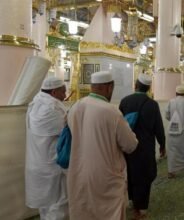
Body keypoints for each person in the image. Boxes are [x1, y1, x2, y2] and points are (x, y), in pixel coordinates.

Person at [67, 71, 138, 220]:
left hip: (78, 173)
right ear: (109, 87)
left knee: (84, 211)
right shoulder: (111, 111)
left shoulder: (75, 107)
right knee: (108, 213)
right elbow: (130, 145)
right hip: (106, 177)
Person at [119, 73, 166, 219]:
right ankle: (140, 208)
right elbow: (158, 127)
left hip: (127, 146)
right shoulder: (152, 104)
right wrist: (162, 144)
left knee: (130, 173)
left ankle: (133, 201)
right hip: (145, 147)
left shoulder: (125, 101)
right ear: (148, 88)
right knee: (144, 176)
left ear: (136, 85)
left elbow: (118, 125)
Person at [25, 77, 68, 220]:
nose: (65, 95)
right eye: (63, 91)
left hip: (37, 164)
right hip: (52, 166)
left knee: (45, 205)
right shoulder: (53, 108)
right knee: (58, 204)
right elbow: (68, 130)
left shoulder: (35, 104)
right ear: (55, 92)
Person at [165, 85, 184, 179]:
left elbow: (167, 115)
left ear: (176, 93)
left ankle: (171, 171)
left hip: (171, 130)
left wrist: (174, 120)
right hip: (183, 130)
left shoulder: (171, 101)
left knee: (171, 150)